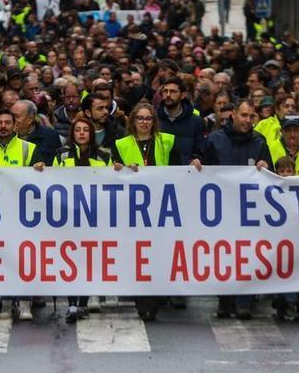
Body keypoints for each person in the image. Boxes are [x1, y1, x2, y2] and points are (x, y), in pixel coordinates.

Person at [196, 100, 273, 320]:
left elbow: (271, 175)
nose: (247, 121)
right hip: (221, 211)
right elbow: (201, 162)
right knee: (224, 255)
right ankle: (225, 300)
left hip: (249, 211)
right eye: (244, 116)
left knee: (247, 255)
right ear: (233, 115)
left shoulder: (259, 142)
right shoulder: (215, 140)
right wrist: (196, 163)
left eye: (251, 117)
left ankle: (243, 302)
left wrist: (266, 166)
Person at [113, 103, 181, 321]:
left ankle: (158, 294)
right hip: (132, 210)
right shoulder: (121, 144)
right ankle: (144, 303)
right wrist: (118, 169)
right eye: (140, 118)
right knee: (138, 256)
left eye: (148, 118)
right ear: (133, 121)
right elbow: (110, 172)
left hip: (162, 207)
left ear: (154, 121)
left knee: (159, 254)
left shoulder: (167, 141)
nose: (144, 122)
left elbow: (180, 171)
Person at [0, 109, 44, 321]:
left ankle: (24, 302)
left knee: (23, 257)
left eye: (7, 122)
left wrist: (40, 168)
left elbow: (41, 178)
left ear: (15, 126)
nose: (3, 126)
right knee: (1, 257)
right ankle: (5, 302)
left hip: (23, 214)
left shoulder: (29, 148)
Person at [53, 117, 112, 324]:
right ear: (72, 133)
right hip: (69, 216)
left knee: (89, 260)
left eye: (85, 130)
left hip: (94, 216)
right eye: (77, 130)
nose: (81, 133)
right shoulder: (62, 155)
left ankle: (84, 302)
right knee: (70, 260)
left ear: (91, 133)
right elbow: (52, 182)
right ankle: (71, 303)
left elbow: (111, 182)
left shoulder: (103, 155)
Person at [156, 78, 205, 166]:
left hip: (186, 173)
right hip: (159, 173)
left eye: (173, 92)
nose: (168, 95)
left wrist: (196, 159)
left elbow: (201, 149)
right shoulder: (154, 119)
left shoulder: (196, 122)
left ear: (183, 95)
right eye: (165, 91)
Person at [12, 100, 61, 166]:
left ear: (30, 119)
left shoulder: (51, 136)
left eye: (16, 116)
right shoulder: (6, 136)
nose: (11, 120)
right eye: (11, 116)